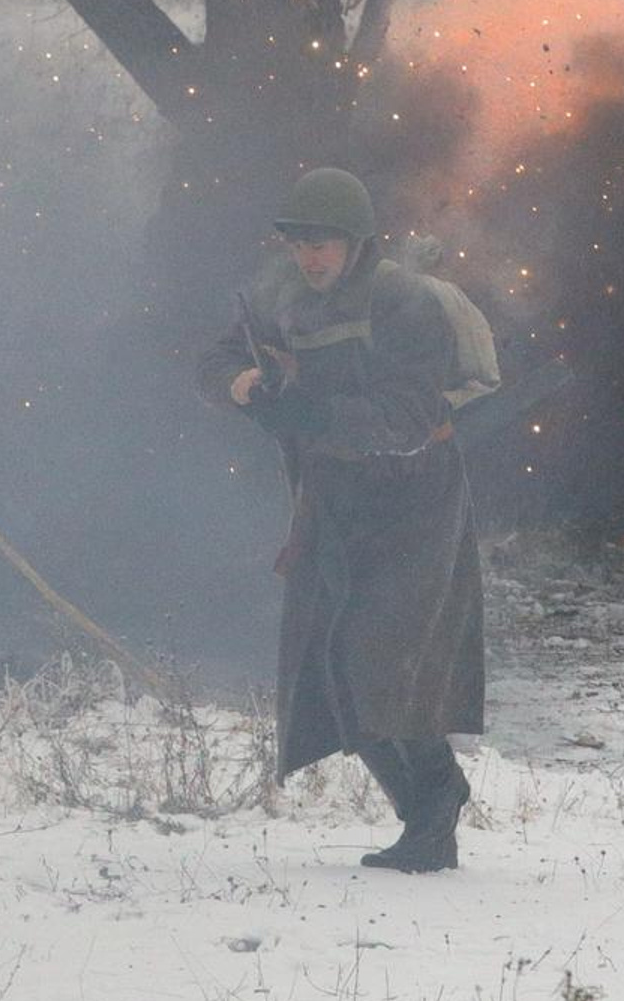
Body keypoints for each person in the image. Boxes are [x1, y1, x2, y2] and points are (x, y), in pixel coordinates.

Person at [199, 168, 484, 872]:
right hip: (332, 501)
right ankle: (426, 817)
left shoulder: (404, 303)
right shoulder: (279, 297)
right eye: (300, 244)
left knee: (382, 663)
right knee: (331, 670)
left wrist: (311, 414)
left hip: (412, 501)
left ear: (357, 242)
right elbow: (217, 358)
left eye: (324, 243)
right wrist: (244, 384)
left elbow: (409, 417)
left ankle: (435, 806)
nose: (311, 258)